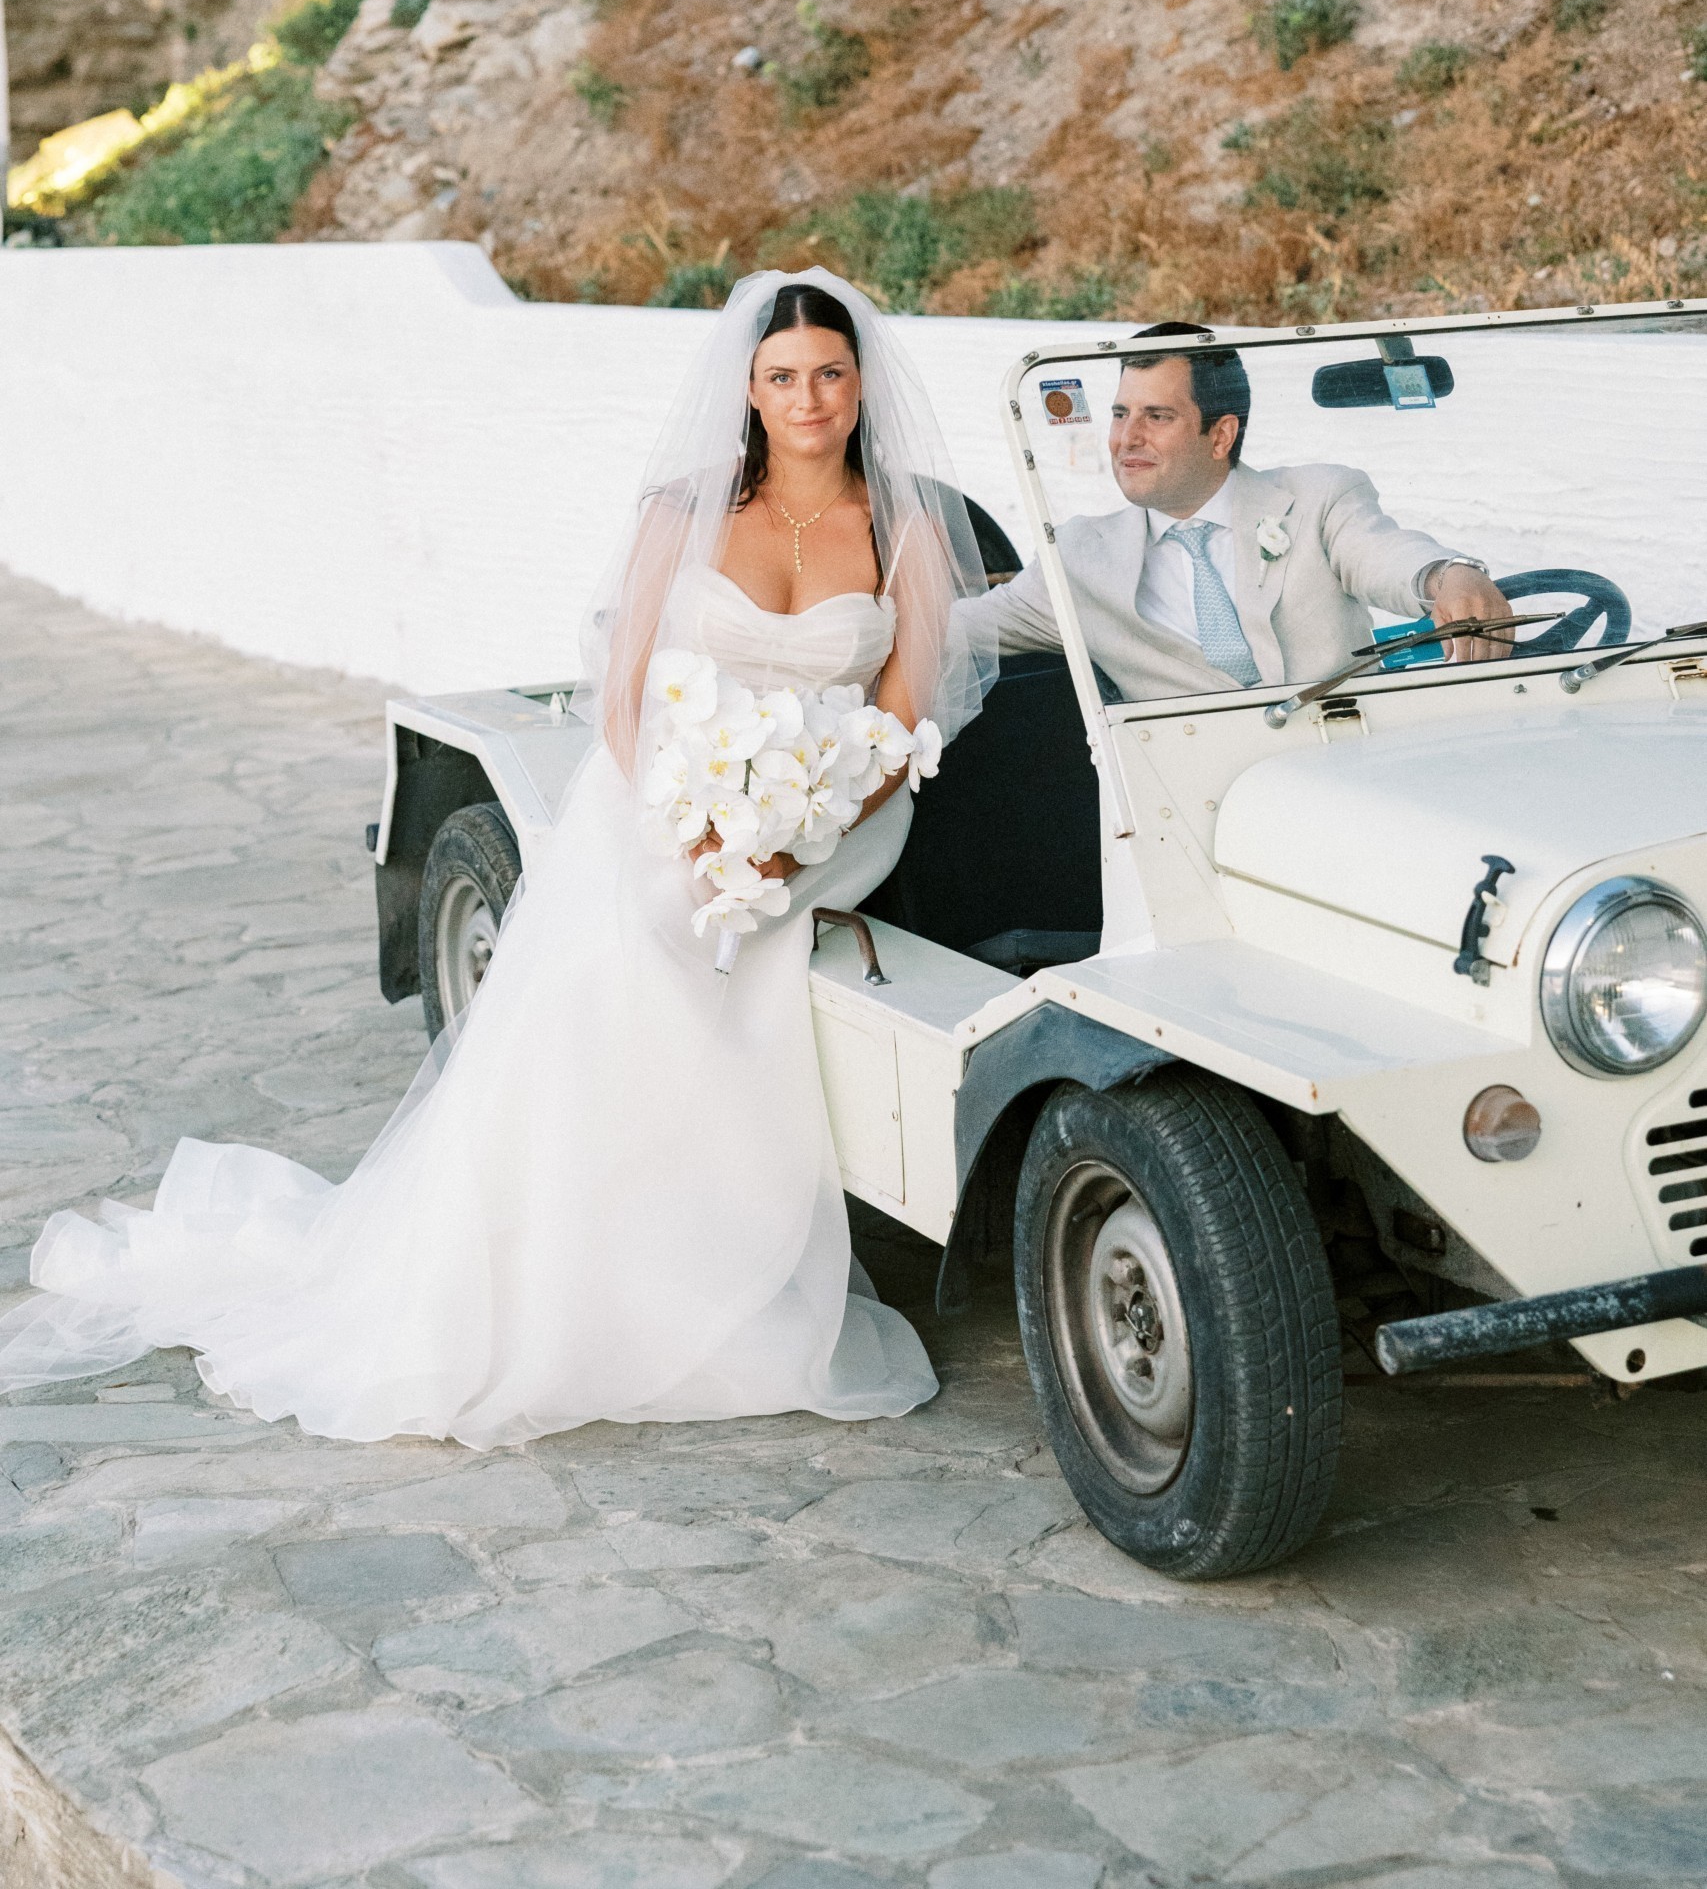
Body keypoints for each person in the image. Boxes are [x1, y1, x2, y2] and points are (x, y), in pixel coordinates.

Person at [0, 273, 995, 1445]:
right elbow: (624, 695)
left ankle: (712, 1256)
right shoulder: (683, 509)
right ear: (749, 388)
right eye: (783, 377)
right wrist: (694, 819)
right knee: (641, 936)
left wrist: (793, 831)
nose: (808, 398)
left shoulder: (904, 529)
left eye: (829, 373)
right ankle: (588, 1259)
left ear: (862, 383)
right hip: (669, 790)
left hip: (838, 810)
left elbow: (901, 718)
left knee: (731, 929)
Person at [974, 326, 1512, 700]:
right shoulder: (1076, 556)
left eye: (1157, 416)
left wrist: (1450, 576)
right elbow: (961, 632)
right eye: (1120, 414)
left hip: (1349, 764)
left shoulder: (1320, 498)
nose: (1126, 438)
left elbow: (1387, 556)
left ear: (1221, 435)